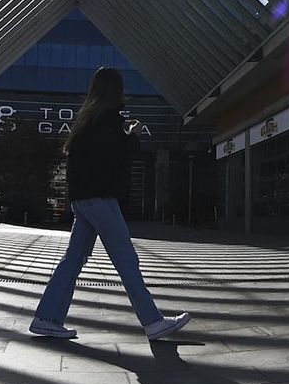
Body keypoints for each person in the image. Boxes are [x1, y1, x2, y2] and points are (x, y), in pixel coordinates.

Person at [29, 66, 190, 341]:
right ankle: (153, 322)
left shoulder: (87, 120)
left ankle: (46, 318)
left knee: (73, 260)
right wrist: (134, 134)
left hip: (83, 200)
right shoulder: (109, 119)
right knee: (126, 258)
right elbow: (119, 155)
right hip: (100, 199)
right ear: (116, 91)